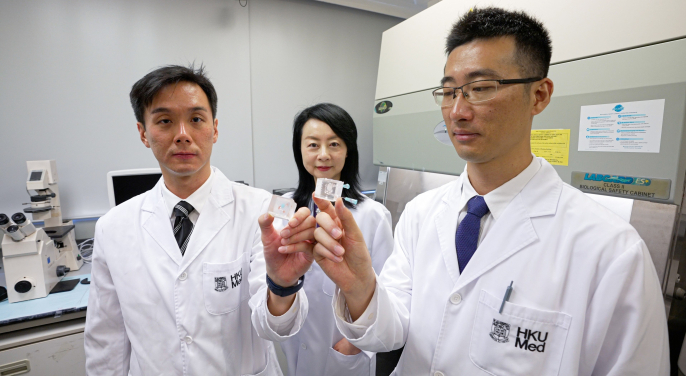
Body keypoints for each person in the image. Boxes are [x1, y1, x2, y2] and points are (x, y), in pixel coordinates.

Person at [311, 7, 669, 375]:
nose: (457, 111)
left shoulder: (612, 252)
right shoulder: (421, 213)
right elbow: (391, 330)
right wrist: (360, 289)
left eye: (480, 88)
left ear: (539, 95)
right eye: (449, 92)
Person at [84, 65, 315, 376]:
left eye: (196, 119)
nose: (182, 135)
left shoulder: (264, 211)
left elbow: (276, 327)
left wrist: (283, 286)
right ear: (143, 133)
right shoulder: (113, 228)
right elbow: (105, 343)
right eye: (165, 121)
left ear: (214, 128)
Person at [276, 103, 393, 376]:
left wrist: (355, 343)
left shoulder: (372, 215)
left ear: (348, 150)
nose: (324, 155)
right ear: (300, 151)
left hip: (346, 351)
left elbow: (388, 289)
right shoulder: (282, 207)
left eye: (334, 144)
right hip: (294, 342)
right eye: (313, 145)